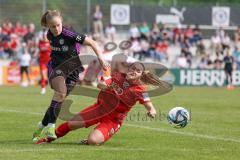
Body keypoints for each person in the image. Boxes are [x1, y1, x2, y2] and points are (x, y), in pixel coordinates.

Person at [36, 62, 160, 145]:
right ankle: (48, 139)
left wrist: (152, 112)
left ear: (140, 75)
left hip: (113, 120)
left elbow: (150, 106)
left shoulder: (139, 90)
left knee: (93, 141)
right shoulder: (117, 76)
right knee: (71, 124)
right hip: (97, 110)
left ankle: (93, 139)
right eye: (132, 68)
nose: (133, 71)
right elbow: (101, 84)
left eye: (137, 71)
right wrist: (105, 86)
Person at [32, 10, 108, 142]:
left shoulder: (70, 34)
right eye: (53, 26)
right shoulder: (49, 34)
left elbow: (93, 43)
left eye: (58, 25)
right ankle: (51, 127)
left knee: (58, 100)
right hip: (56, 68)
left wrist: (101, 59)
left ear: (61, 22)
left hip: (72, 70)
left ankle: (42, 125)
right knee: (60, 94)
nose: (56, 29)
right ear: (48, 26)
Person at [38, 29, 51, 94]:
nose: (44, 37)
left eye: (46, 36)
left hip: (50, 62)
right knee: (43, 76)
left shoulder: (51, 42)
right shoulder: (40, 43)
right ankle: (43, 88)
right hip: (42, 62)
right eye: (44, 36)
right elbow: (41, 49)